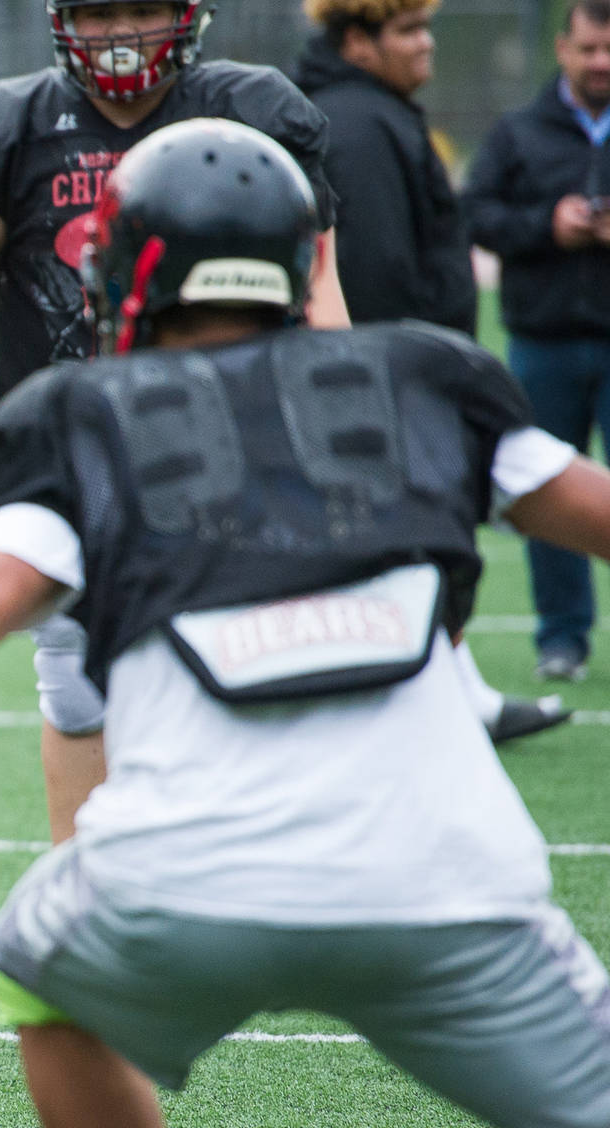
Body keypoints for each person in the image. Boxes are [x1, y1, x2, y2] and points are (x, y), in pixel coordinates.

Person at [0, 118, 610, 1128]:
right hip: (446, 884)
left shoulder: (75, 417)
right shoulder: (420, 379)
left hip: (182, 886)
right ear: (292, 263)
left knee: (31, 969)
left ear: (125, 272)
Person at [0, 0, 347, 850]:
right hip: (75, 457)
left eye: (142, 10)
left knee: (234, 665)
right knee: (74, 688)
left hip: (227, 443)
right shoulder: (16, 123)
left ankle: (231, 865)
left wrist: (337, 422)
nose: (122, 35)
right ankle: (83, 875)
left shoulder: (254, 114)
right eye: (100, 13)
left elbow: (318, 293)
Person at [293, 0, 573, 743]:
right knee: (411, 537)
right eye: (409, 32)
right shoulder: (356, 123)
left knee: (421, 539)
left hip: (400, 368)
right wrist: (419, 370)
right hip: (393, 374)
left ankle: (461, 694)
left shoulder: (371, 111)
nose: (426, 47)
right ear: (357, 41)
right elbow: (374, 267)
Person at [463, 0, 610, 685]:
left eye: (609, 50)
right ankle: (562, 638)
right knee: (548, 498)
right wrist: (545, 226)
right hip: (542, 342)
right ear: (563, 48)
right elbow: (477, 217)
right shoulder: (518, 131)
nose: (600, 62)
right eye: (588, 49)